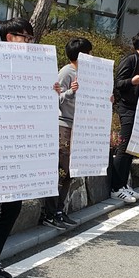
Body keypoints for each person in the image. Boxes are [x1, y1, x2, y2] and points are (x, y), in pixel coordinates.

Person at [0, 17, 59, 278]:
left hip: (21, 146)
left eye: (31, 38)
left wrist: (53, 91)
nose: (30, 42)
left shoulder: (36, 67)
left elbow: (44, 106)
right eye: (26, 37)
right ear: (10, 38)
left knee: (13, 206)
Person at [41, 37, 92, 230]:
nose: (91, 56)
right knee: (61, 171)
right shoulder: (66, 71)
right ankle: (50, 213)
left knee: (70, 171)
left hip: (81, 127)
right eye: (88, 53)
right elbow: (54, 98)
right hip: (64, 126)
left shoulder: (88, 74)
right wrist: (71, 91)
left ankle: (60, 211)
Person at [110, 30, 139, 203]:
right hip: (128, 109)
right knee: (124, 147)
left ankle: (122, 184)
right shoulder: (131, 59)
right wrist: (132, 81)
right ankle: (115, 187)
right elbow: (118, 83)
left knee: (132, 149)